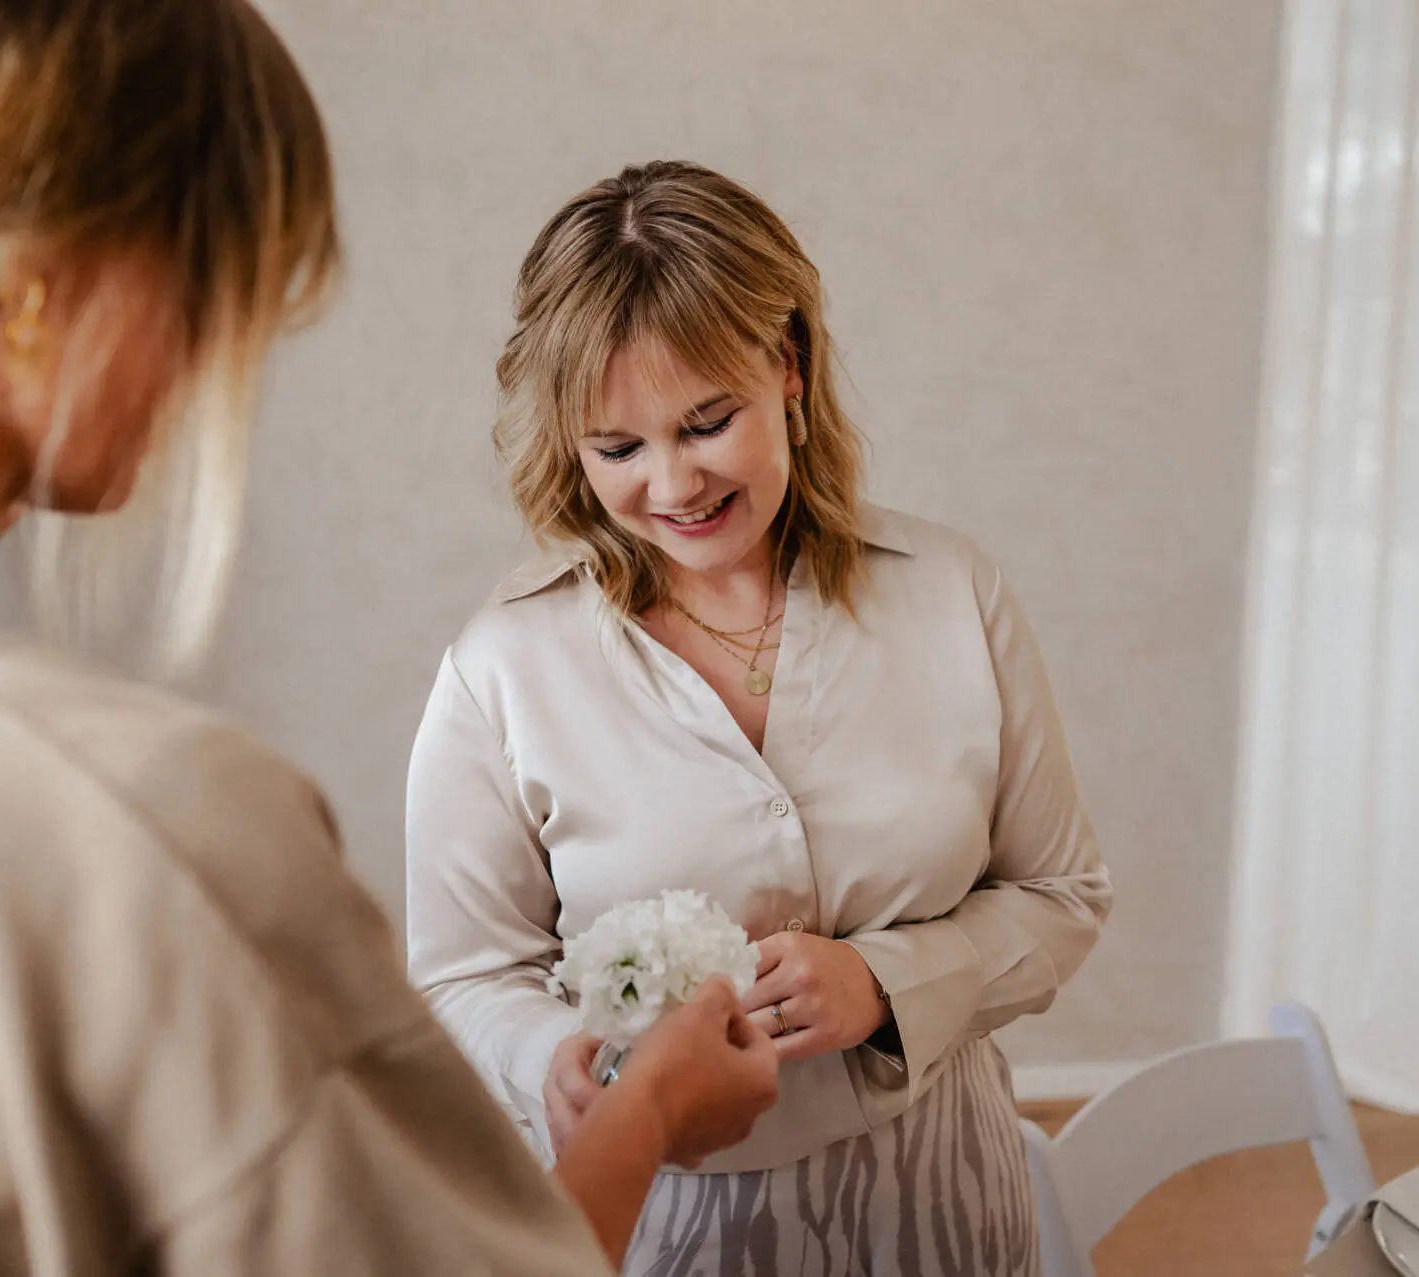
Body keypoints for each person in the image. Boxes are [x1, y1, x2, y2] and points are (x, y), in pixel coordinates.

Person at [0, 7, 777, 1275]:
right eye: (218, 288)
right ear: (43, 270)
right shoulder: (141, 819)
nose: (206, 368)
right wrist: (650, 1111)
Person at [406, 161, 1116, 1276]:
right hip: (659, 1219)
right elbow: (462, 973)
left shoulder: (951, 591)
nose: (675, 484)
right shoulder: (503, 666)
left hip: (940, 1194)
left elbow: (1064, 895)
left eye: (706, 421)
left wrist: (886, 979)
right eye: (619, 448)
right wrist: (555, 1054)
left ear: (786, 366)